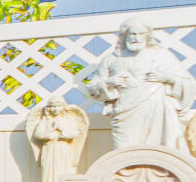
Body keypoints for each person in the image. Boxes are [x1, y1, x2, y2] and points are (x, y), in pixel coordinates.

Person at [83, 18, 194, 151]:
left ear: (147, 36)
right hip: (124, 113)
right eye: (133, 34)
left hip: (157, 110)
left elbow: (189, 83)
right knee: (123, 152)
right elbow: (93, 88)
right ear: (125, 36)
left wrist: (167, 78)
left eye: (141, 34)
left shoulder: (161, 55)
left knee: (159, 153)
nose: (136, 38)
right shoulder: (112, 59)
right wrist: (109, 82)